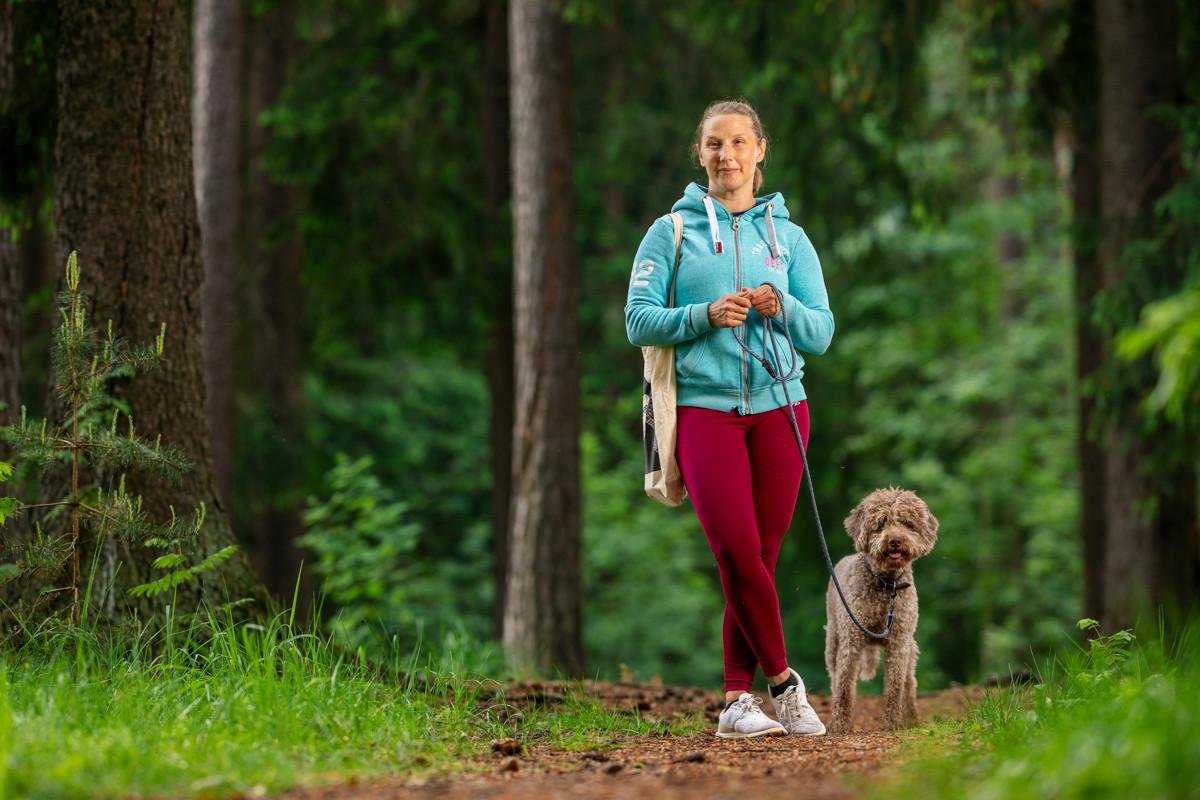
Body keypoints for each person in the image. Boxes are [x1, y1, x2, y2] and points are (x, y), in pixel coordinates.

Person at [625, 99, 834, 738]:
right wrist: (704, 316)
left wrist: (785, 306)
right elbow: (637, 320)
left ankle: (736, 701)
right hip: (704, 412)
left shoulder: (788, 238)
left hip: (781, 409)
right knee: (735, 551)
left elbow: (821, 332)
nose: (727, 155)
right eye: (715, 144)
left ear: (759, 150)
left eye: (739, 142)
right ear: (701, 154)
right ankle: (784, 685)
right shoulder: (673, 232)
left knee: (760, 561)